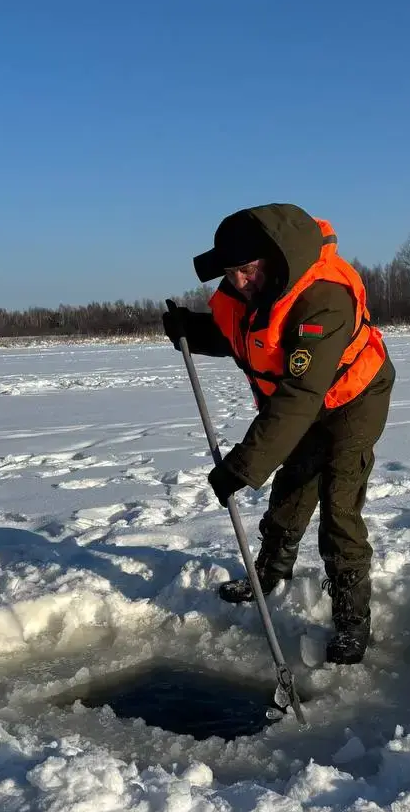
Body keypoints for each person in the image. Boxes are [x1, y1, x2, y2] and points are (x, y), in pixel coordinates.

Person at [163, 202, 395, 664]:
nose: (239, 282)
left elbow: (299, 394)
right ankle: (268, 573)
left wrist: (243, 466)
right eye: (231, 273)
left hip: (351, 400)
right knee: (292, 488)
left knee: (338, 505)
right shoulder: (254, 289)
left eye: (247, 270)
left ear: (273, 258)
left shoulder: (322, 298)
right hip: (302, 401)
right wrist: (191, 329)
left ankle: (352, 620)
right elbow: (246, 336)